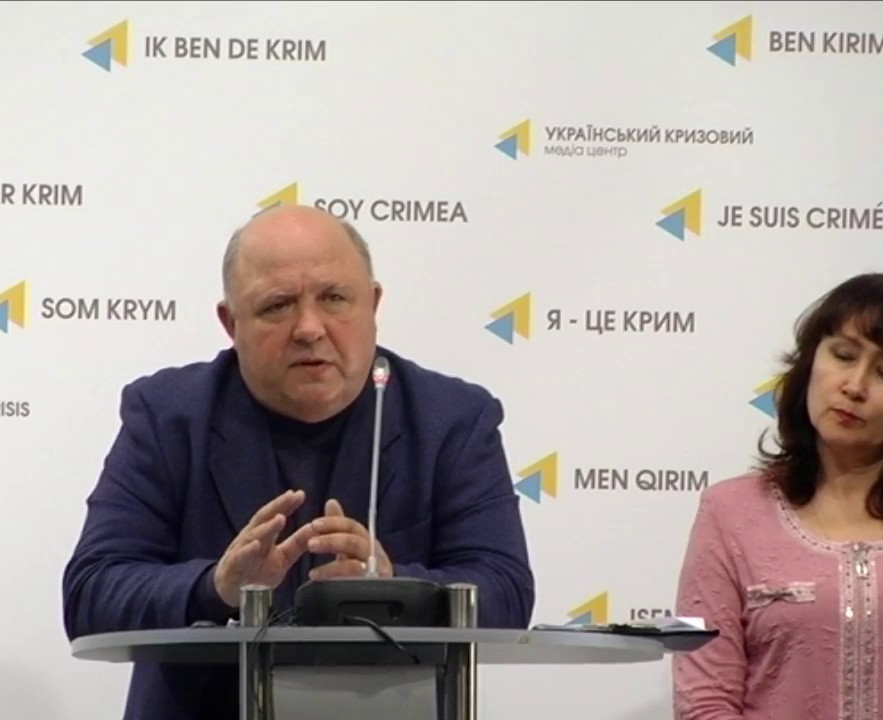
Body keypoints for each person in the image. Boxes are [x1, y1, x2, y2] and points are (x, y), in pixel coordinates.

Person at [62, 203, 535, 720]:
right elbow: (91, 594)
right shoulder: (169, 415)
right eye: (278, 305)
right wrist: (216, 586)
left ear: (373, 305)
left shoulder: (452, 420)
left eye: (334, 298)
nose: (309, 328)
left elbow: (506, 593)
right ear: (231, 323)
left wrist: (395, 585)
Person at [672, 272, 883, 720]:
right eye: (843, 355)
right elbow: (704, 701)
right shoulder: (729, 513)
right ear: (810, 364)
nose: (855, 385)